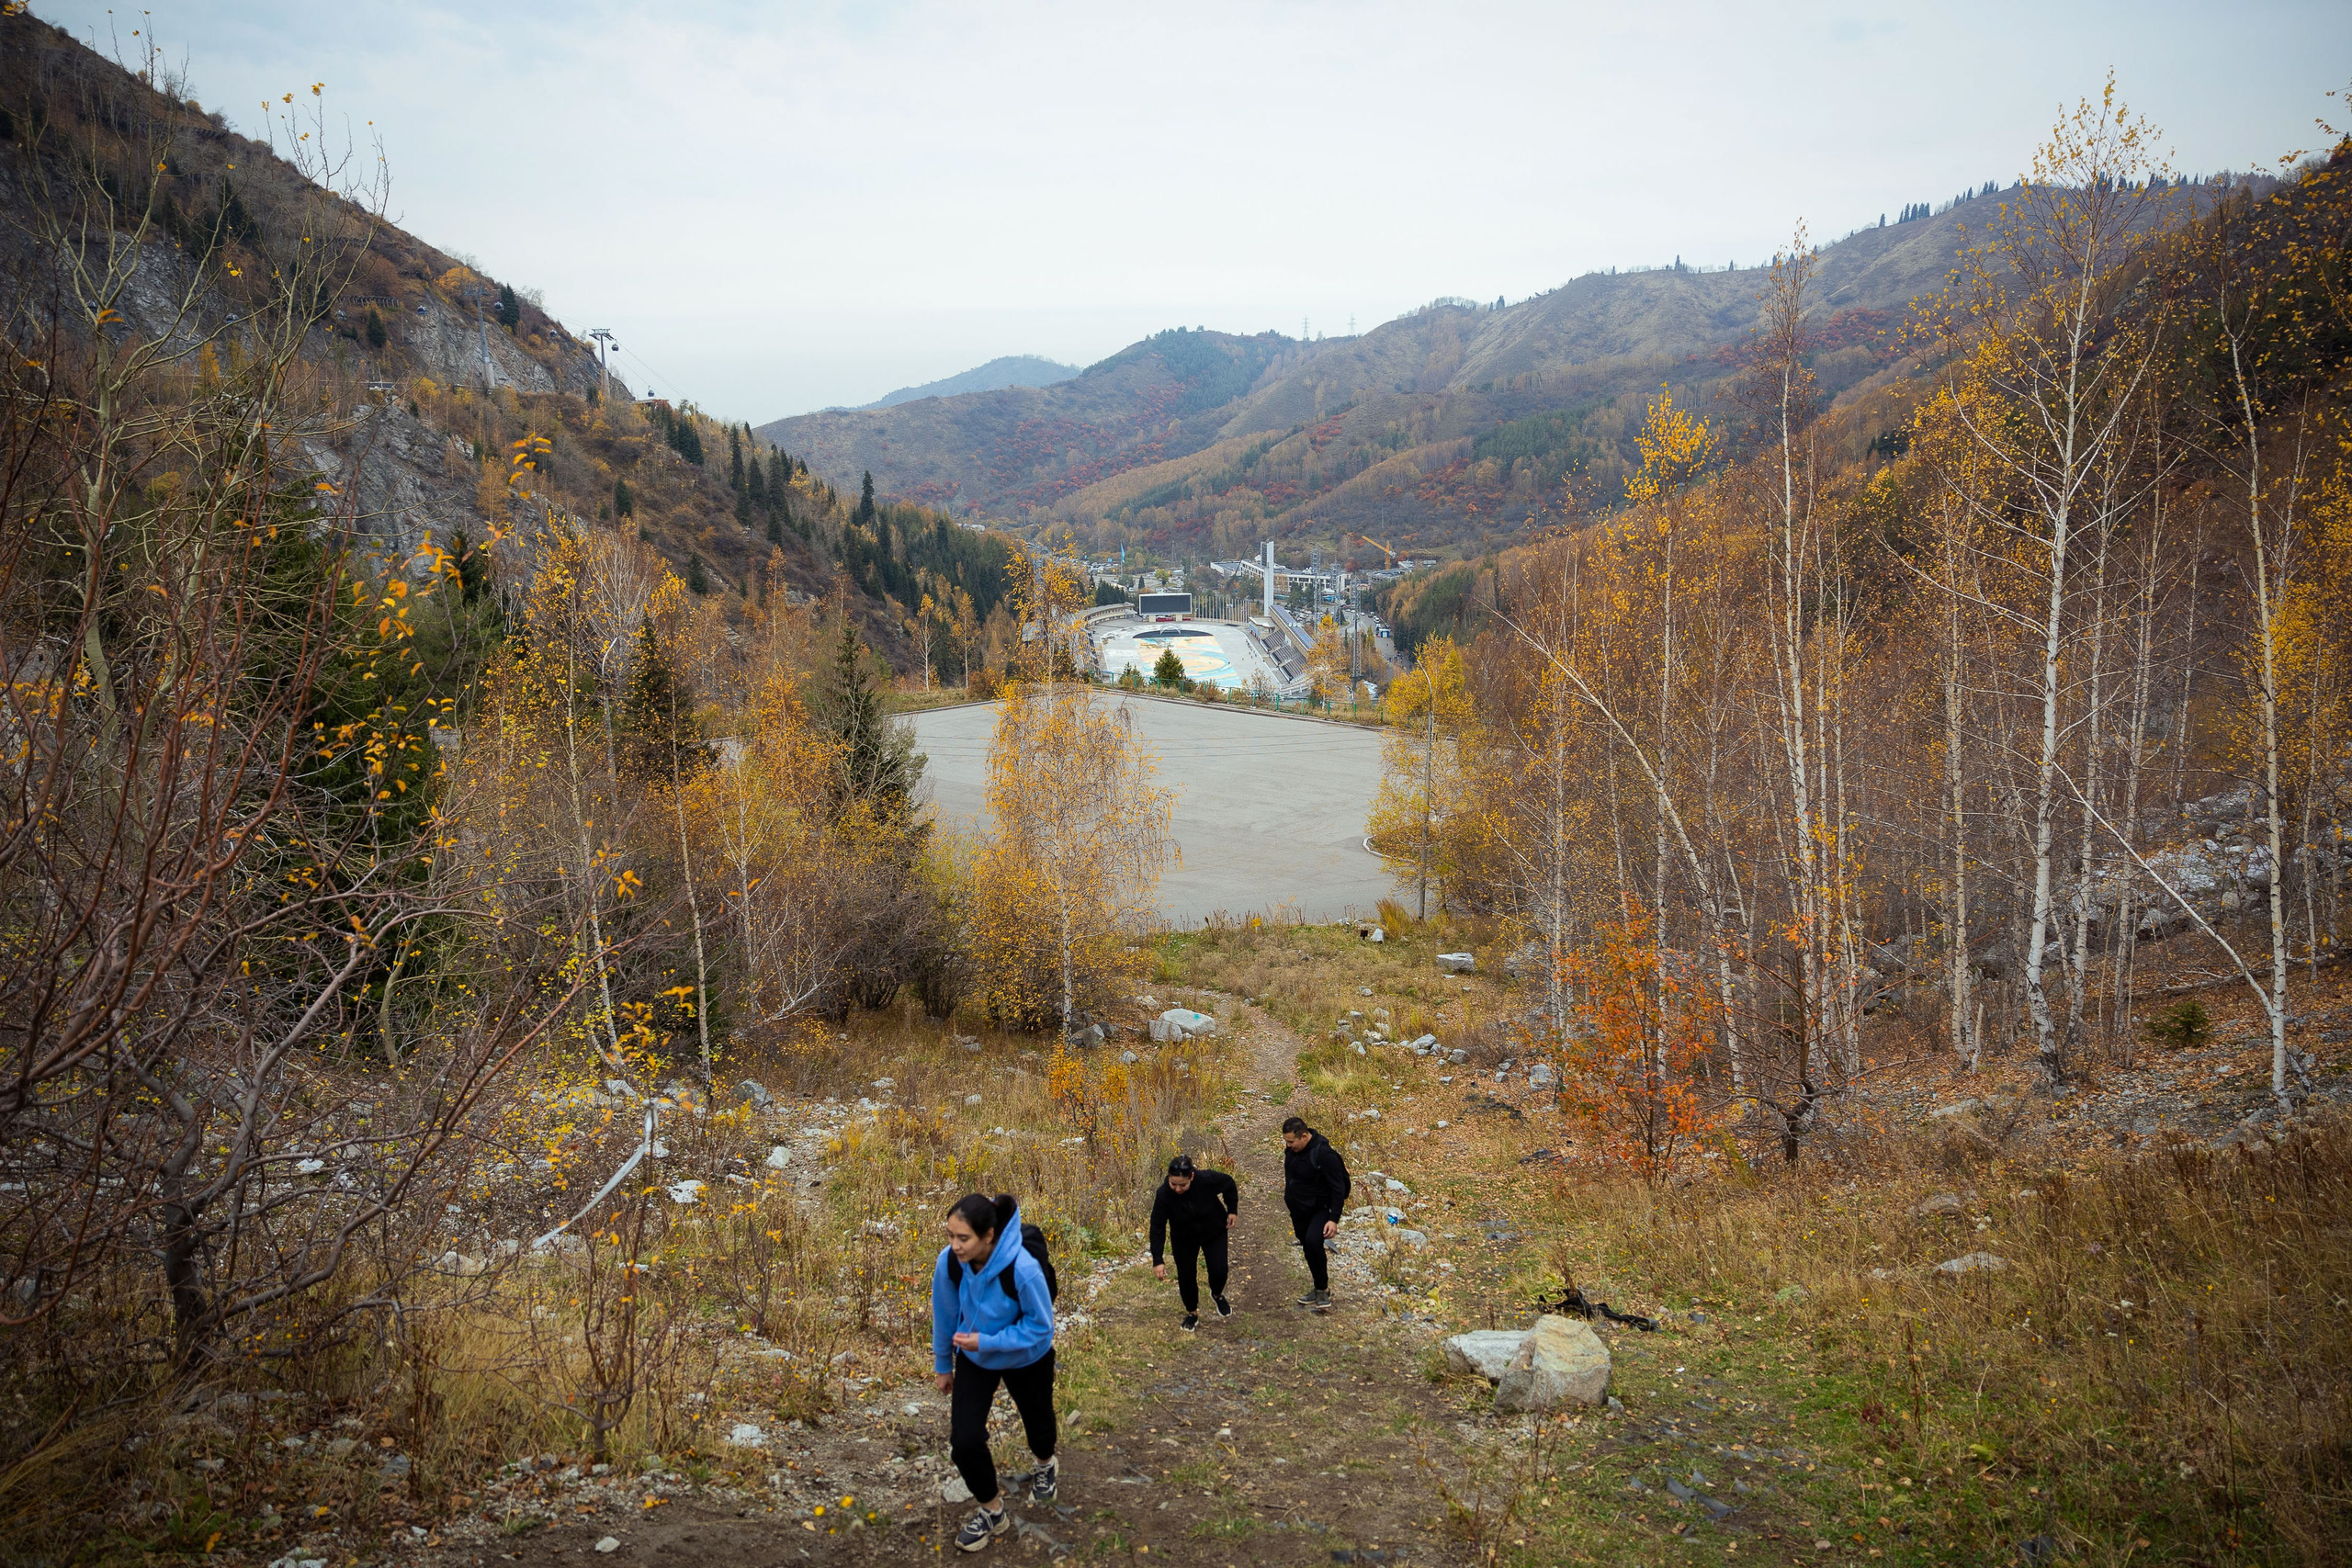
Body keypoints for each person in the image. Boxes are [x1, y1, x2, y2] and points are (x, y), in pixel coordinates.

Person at [932, 1192, 1057, 1553]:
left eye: (963, 1238)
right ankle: (992, 1511)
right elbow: (944, 1312)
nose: (954, 1246)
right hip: (974, 1356)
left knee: (1039, 1424)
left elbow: (1041, 1327)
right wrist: (944, 1364)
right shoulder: (950, 1263)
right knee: (964, 1442)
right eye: (950, 1236)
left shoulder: (1022, 1267)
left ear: (988, 1236)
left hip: (1026, 1357)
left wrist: (987, 1341)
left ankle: (1045, 1463)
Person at [1148, 1154, 1239, 1330]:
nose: (1178, 1189)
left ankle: (1217, 1295)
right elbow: (1157, 1227)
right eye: (1173, 1184)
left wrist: (1232, 1209)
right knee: (1187, 1276)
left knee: (1219, 1270)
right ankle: (1192, 1313)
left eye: (1183, 1185)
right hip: (1184, 1238)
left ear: (1192, 1177)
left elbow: (1228, 1183)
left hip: (1214, 1231)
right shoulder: (1164, 1195)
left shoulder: (1206, 1179)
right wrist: (1158, 1260)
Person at [1281, 1115, 1351, 1307]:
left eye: (1291, 1142)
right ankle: (1319, 1287)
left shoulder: (1325, 1155)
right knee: (1308, 1246)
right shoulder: (1293, 1151)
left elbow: (1338, 1188)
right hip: (1299, 1210)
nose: (1288, 1146)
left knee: (1313, 1241)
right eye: (1286, 1142)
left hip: (1321, 1209)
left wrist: (1333, 1219)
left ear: (1304, 1136)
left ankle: (1322, 1290)